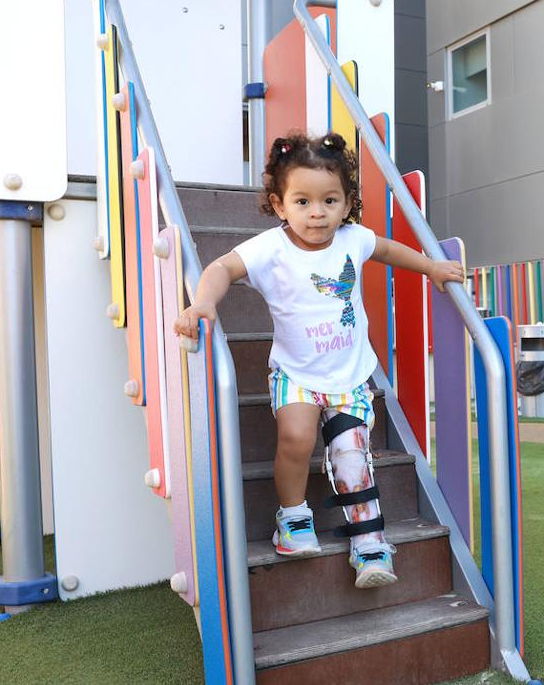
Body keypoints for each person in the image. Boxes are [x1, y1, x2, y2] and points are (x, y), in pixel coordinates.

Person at [174, 132, 464, 588]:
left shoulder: (353, 239)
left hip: (349, 377)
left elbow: (387, 250)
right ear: (279, 203)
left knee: (351, 456)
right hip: (295, 375)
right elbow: (221, 268)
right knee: (295, 436)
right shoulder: (271, 249)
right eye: (303, 201)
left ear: (347, 204)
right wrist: (204, 303)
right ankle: (293, 519)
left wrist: (431, 267)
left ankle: (369, 544)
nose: (317, 212)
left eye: (330, 200)